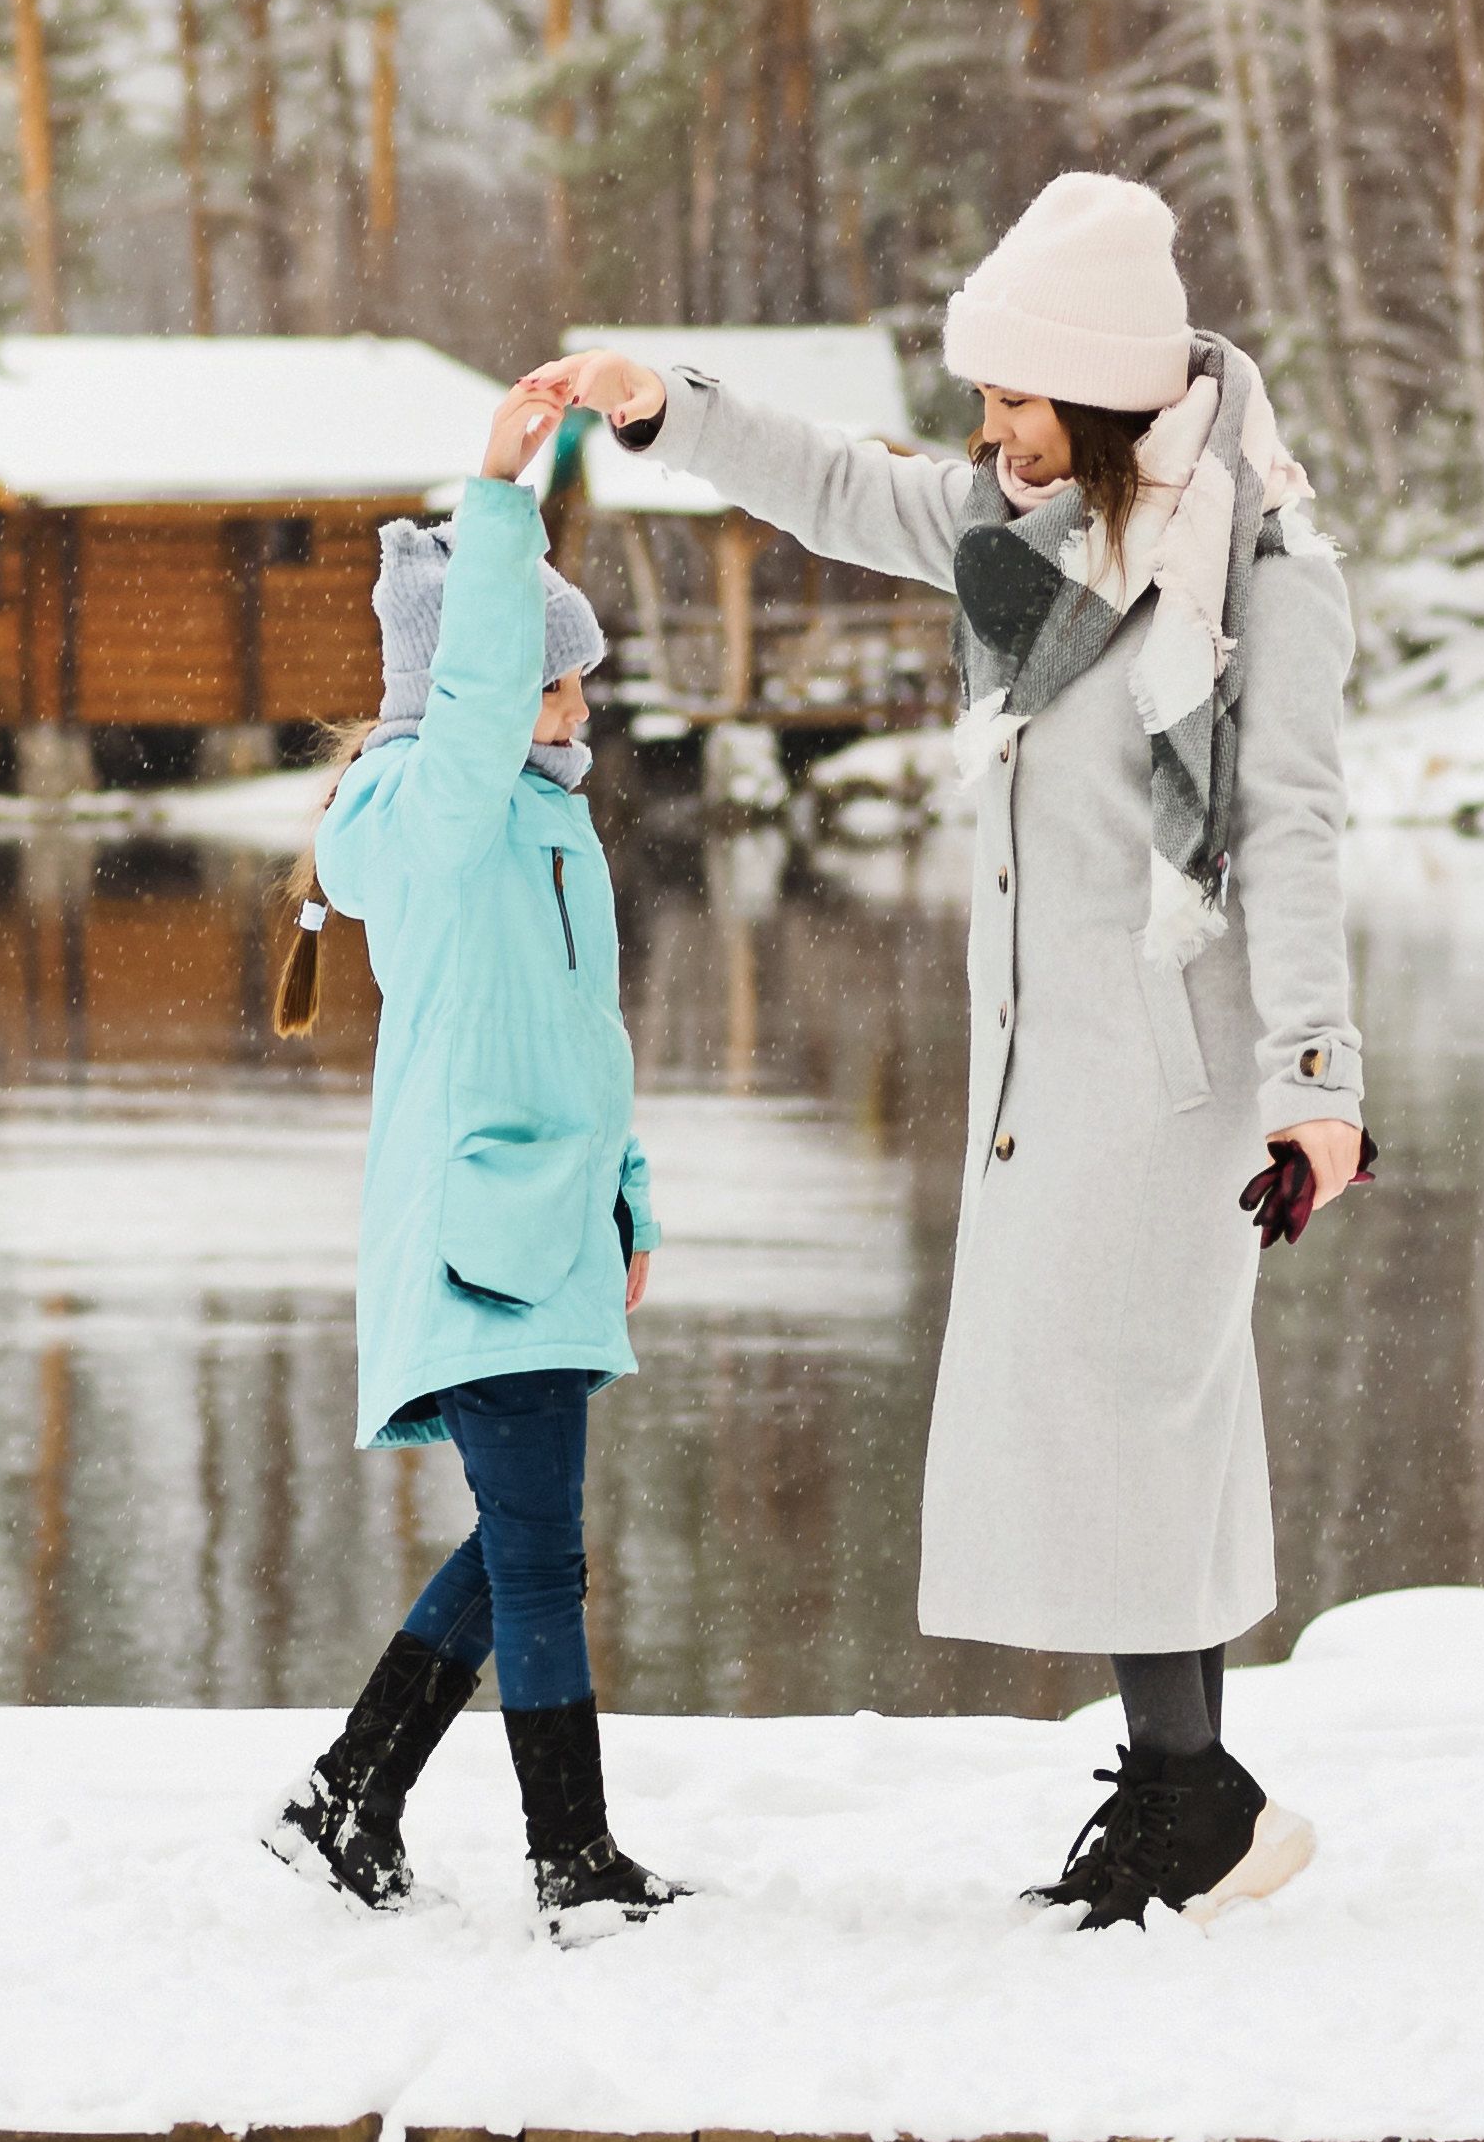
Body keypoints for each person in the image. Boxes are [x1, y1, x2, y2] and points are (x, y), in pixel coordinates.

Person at [519, 170, 1362, 1927]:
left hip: (1181, 1063)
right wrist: (663, 401)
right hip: (1037, 1063)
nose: (989, 435)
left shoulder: (1265, 569)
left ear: (1109, 395)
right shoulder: (1020, 537)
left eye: (1014, 402)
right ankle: (1189, 1794)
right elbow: (841, 485)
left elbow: (1287, 829)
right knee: (1129, 1415)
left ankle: (1197, 1797)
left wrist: (1318, 1082)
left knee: (1136, 1411)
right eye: (983, 406)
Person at [262, 378, 682, 1933]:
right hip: (478, 1227)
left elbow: (586, 1039)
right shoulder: (428, 813)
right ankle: (569, 1861)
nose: (578, 709)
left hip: (557, 1224)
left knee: (526, 1547)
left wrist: (630, 1195)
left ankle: (345, 1796)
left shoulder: (549, 825)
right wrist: (501, 494)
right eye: (552, 689)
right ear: (479, 698)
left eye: (578, 688)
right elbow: (484, 676)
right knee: (544, 1561)